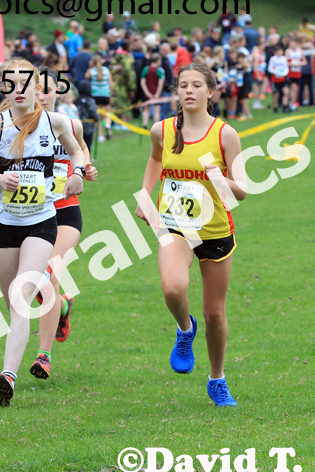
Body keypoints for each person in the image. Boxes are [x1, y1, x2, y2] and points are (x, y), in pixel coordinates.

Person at [0, 58, 85, 407]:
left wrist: (77, 170)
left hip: (41, 222)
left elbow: (77, 148)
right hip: (3, 225)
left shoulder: (56, 122)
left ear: (37, 88)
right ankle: (3, 369)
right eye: (11, 84)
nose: (18, 90)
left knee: (20, 298)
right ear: (4, 88)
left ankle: (8, 376)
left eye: (25, 83)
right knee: (12, 303)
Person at [135, 62, 245, 406]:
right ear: (177, 92)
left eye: (197, 85)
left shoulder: (225, 134)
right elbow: (156, 160)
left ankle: (217, 378)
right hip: (174, 225)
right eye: (183, 85)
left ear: (211, 92)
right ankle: (185, 329)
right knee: (172, 287)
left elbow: (240, 192)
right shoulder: (162, 130)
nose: (189, 91)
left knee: (215, 314)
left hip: (214, 230)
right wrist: (145, 194)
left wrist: (220, 178)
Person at [31, 67, 97, 375]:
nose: (42, 94)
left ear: (59, 91)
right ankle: (64, 305)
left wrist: (84, 170)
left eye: (47, 89)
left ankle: (43, 355)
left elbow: (81, 151)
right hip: (31, 214)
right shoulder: (20, 129)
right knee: (36, 285)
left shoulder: (71, 124)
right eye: (37, 89)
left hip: (66, 211)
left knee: (48, 276)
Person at [85, 55, 112, 142]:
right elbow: (110, 83)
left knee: (98, 117)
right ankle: (107, 125)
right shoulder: (106, 70)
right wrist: (110, 93)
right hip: (105, 95)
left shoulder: (92, 71)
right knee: (107, 114)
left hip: (95, 95)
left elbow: (86, 76)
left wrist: (90, 67)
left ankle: (100, 135)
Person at [141, 54, 166, 129]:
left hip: (147, 93)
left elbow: (142, 82)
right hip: (156, 93)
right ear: (158, 61)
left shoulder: (146, 69)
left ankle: (145, 125)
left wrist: (147, 93)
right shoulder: (160, 70)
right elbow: (160, 83)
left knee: (146, 109)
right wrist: (157, 94)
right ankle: (155, 126)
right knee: (156, 110)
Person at [268, 47, 290, 113]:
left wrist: (283, 73)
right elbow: (270, 68)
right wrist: (277, 72)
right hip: (275, 79)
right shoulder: (273, 59)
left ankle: (285, 106)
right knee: (276, 94)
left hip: (283, 79)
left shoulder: (284, 59)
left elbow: (286, 68)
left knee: (286, 92)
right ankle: (275, 108)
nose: (279, 52)